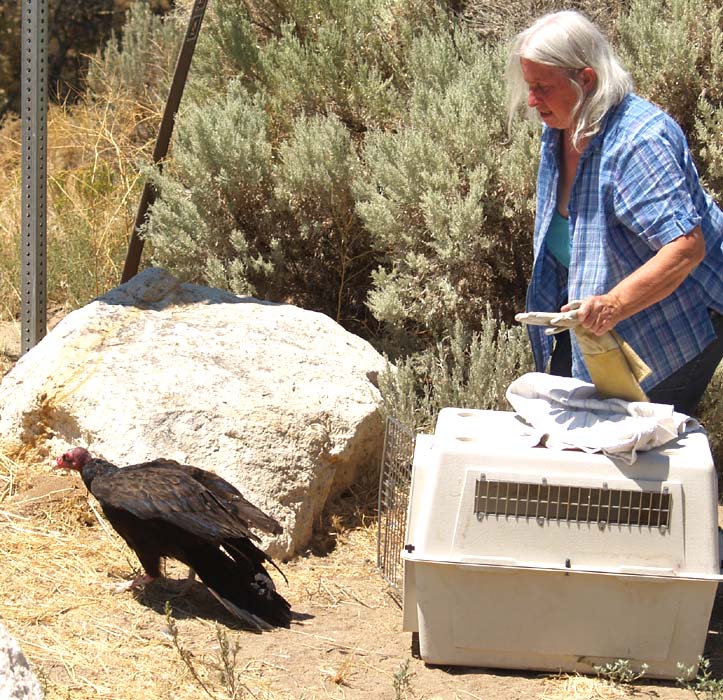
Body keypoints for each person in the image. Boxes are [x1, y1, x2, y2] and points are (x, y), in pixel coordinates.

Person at [506, 9, 723, 415]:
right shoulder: (559, 127)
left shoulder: (639, 142)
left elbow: (685, 250)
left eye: (542, 87)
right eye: (529, 86)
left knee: (639, 454)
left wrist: (612, 305)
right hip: (599, 321)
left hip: (679, 318)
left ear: (586, 80)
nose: (532, 100)